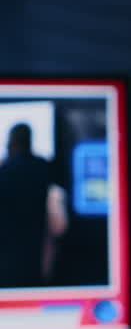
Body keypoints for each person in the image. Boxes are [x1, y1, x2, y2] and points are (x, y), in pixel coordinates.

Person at [0, 123, 68, 287]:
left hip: (8, 248)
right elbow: (59, 226)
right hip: (38, 246)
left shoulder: (5, 170)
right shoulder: (44, 167)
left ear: (11, 143)